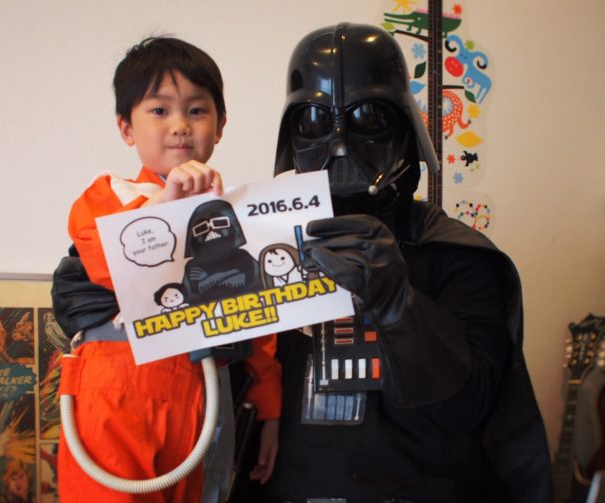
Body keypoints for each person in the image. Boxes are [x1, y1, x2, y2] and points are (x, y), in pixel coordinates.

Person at [259, 23, 553, 503]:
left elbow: (474, 408)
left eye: (368, 117)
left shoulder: (456, 257)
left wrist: (401, 306)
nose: (339, 144)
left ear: (404, 128)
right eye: (313, 120)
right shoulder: (267, 253)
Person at [52, 36, 280, 503]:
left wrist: (270, 412)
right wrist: (167, 206)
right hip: (114, 391)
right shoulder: (108, 194)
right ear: (126, 128)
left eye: (197, 110)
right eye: (159, 110)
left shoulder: (241, 220)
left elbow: (258, 317)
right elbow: (109, 266)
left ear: (220, 126)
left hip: (199, 400)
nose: (180, 126)